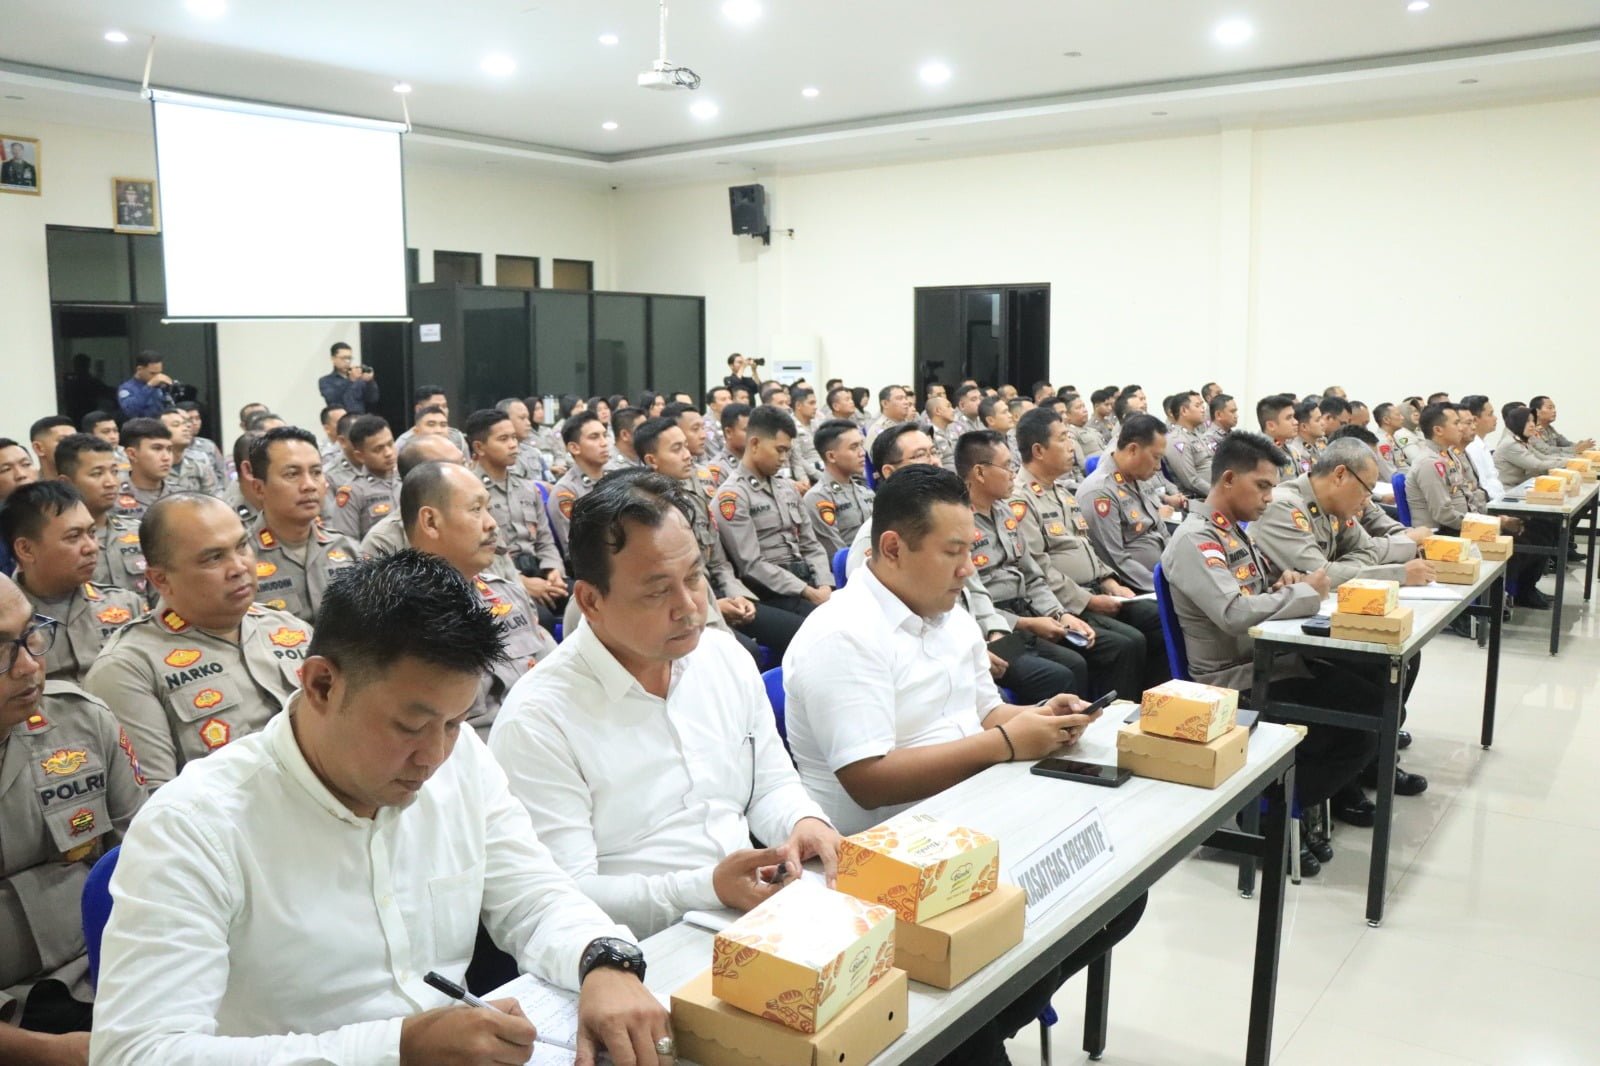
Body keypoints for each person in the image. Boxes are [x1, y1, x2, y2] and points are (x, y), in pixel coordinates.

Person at [89, 550, 670, 1065]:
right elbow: (137, 1053)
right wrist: (397, 1049)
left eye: (455, 723)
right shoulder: (194, 827)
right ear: (321, 685)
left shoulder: (460, 759)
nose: (434, 756)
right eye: (411, 726)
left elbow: (533, 893)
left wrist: (602, 959)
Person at [783, 465, 1140, 1066]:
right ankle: (972, 1027)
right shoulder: (843, 636)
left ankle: (989, 1013)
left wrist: (1037, 717)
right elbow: (869, 781)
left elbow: (984, 711)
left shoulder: (948, 614)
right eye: (952, 552)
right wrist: (1005, 744)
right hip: (882, 860)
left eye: (971, 549)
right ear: (892, 549)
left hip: (968, 817)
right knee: (1027, 939)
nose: (968, 568)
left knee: (1117, 896)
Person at [489, 474, 838, 939]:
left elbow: (769, 785)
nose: (690, 607)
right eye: (657, 591)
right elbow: (562, 896)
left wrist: (802, 820)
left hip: (757, 912)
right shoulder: (538, 720)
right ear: (591, 601)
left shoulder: (723, 658)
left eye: (693, 577)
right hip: (636, 948)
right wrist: (704, 889)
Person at [1159, 433, 1384, 866]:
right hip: (1234, 681)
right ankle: (1265, 818)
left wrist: (1285, 584)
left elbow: (1259, 592)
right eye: (1262, 485)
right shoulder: (1196, 540)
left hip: (1270, 662)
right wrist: (1305, 594)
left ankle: (1292, 805)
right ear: (1228, 479)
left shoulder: (1234, 533)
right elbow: (1233, 612)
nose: (1269, 496)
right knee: (1361, 725)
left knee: (1370, 698)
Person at [0, 575, 146, 1066]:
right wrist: (47, 1053)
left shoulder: (82, 721)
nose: (28, 665)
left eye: (30, 635)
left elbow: (150, 869)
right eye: (0, 649)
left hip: (107, 982)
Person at [85, 494, 310, 787]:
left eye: (242, 546)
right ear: (160, 579)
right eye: (214, 558)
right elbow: (157, 802)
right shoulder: (126, 669)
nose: (239, 567)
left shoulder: (289, 627)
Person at [960, 429, 1146, 699]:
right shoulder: (959, 522)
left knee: (1097, 653)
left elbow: (1032, 576)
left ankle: (1104, 718)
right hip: (997, 624)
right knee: (1062, 672)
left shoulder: (1005, 511)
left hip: (1030, 611)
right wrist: (1026, 623)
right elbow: (969, 599)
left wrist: (1059, 614)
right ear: (979, 472)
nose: (1013, 473)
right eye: (1007, 466)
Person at [1010, 409, 1168, 689]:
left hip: (1094, 591)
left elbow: (1088, 548)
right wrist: (1088, 600)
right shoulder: (1020, 501)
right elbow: (1038, 568)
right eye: (1063, 438)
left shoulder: (1061, 492)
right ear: (1038, 451)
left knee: (1156, 623)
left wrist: (1110, 582)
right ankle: (1119, 711)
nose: (1071, 445)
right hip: (1064, 602)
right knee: (1126, 643)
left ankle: (1153, 702)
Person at [402, 462, 557, 736]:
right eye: (476, 510)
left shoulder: (507, 593)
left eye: (489, 508)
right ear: (431, 522)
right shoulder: (403, 616)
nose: (491, 523)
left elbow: (556, 677)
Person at [634, 419, 805, 660]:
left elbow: (719, 563)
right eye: (676, 449)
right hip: (689, 603)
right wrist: (716, 605)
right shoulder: (647, 513)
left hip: (722, 595)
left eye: (686, 446)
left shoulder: (695, 496)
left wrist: (739, 597)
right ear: (652, 460)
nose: (688, 455)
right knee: (746, 653)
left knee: (798, 631)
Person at [1, 483, 146, 683]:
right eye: (74, 537)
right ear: (26, 549)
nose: (91, 547)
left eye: (92, 533)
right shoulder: (7, 622)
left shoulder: (127, 604)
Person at [1406, 404, 1548, 608]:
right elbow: (1444, 515)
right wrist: (1494, 524)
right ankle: (1489, 606)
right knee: (1518, 544)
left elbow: (1469, 499)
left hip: (1461, 525)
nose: (1461, 428)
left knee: (1534, 534)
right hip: (1441, 534)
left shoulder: (1449, 456)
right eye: (1456, 423)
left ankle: (1507, 598)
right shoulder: (1430, 463)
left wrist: (1492, 520)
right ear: (1438, 430)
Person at [716, 405, 836, 617]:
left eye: (787, 451)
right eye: (779, 450)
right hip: (772, 593)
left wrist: (825, 585)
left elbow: (811, 544)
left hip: (808, 584)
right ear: (754, 444)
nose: (784, 458)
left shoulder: (787, 487)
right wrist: (807, 591)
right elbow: (751, 565)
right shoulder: (733, 495)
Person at [240, 428, 359, 622]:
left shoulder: (348, 549)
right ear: (259, 488)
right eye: (292, 474)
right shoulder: (241, 559)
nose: (309, 485)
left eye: (316, 472)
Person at [466, 409, 567, 616]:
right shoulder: (469, 491)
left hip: (538, 570)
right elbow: (474, 551)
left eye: (514, 437)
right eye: (503, 439)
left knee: (583, 600)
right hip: (498, 579)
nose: (513, 444)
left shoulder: (528, 488)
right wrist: (521, 582)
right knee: (541, 616)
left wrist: (554, 570)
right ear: (479, 447)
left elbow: (545, 540)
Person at [1077, 414, 1174, 593]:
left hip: (1165, 571)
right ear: (1133, 450)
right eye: (1156, 457)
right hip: (1138, 587)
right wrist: (1166, 589)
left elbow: (1161, 531)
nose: (1159, 466)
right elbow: (1115, 560)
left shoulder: (1139, 477)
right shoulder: (1100, 492)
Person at [54, 434, 152, 602]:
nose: (111, 482)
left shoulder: (139, 531)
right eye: (97, 474)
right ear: (66, 483)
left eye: (114, 472)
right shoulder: (56, 542)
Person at [323, 414, 399, 542]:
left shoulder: (406, 480)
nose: (388, 453)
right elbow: (346, 542)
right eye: (378, 449)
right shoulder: (353, 493)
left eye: (390, 444)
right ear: (360, 456)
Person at [802, 419, 874, 554]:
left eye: (861, 445)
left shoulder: (865, 491)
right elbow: (837, 553)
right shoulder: (818, 497)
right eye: (854, 447)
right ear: (831, 456)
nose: (862, 453)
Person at [552, 411, 612, 545]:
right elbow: (574, 548)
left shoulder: (614, 480)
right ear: (574, 448)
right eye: (594, 437)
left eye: (605, 435)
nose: (604, 443)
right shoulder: (566, 491)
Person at [111, 418, 173, 520]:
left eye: (169, 449)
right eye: (157, 448)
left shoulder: (181, 495)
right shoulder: (111, 496)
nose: (166, 457)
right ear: (132, 454)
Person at [159, 407, 221, 497]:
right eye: (176, 425)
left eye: (186, 424)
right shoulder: (153, 464)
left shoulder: (200, 460)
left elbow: (213, 496)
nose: (186, 428)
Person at [393, 385, 469, 456]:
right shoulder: (404, 443)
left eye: (444, 406)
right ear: (419, 409)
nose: (441, 411)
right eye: (435, 407)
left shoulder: (457, 438)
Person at [1164, 390, 1212, 499]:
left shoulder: (1198, 435)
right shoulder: (1177, 440)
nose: (1203, 409)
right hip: (1199, 499)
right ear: (1184, 411)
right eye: (1197, 406)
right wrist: (1219, 496)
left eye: (1202, 405)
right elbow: (1191, 481)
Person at [316, 341, 379, 414]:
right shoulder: (325, 381)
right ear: (333, 359)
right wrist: (350, 380)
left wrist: (370, 381)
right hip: (339, 419)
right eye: (343, 358)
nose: (347, 361)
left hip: (359, 418)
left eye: (349, 358)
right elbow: (334, 399)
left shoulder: (358, 379)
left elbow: (373, 398)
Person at [1528, 395, 1593, 457]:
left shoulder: (1549, 428)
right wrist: (1575, 449)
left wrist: (1583, 446)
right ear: (1537, 412)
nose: (1554, 411)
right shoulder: (1531, 430)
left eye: (1554, 408)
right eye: (1550, 408)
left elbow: (1565, 443)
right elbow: (1547, 451)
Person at [115, 351, 171, 420]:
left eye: (159, 373)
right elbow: (131, 411)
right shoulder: (126, 388)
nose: (157, 377)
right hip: (141, 425)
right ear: (139, 369)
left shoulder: (159, 386)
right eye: (152, 373)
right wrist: (149, 386)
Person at [27, 417, 75, 481]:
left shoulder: (84, 483)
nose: (74, 445)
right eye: (64, 440)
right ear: (38, 448)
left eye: (76, 439)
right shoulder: (29, 485)